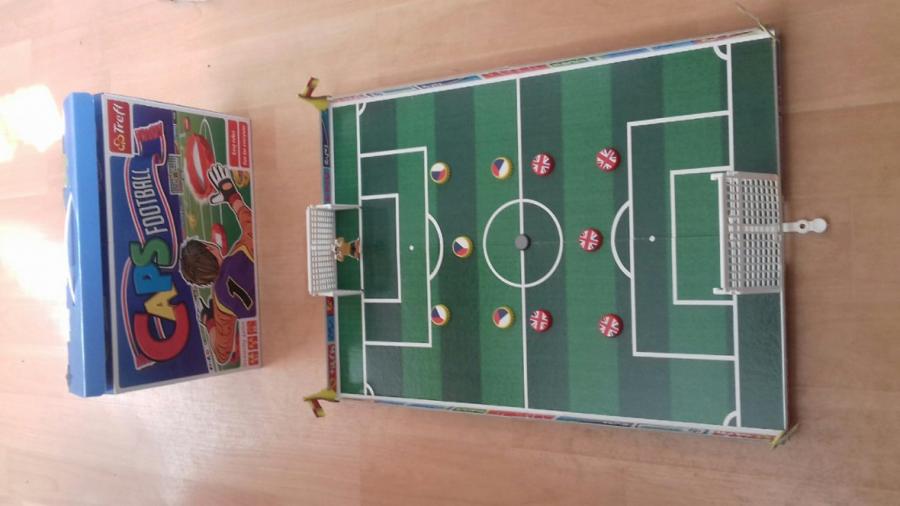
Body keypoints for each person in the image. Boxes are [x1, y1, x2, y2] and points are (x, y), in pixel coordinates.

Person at [179, 163, 256, 365]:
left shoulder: (220, 303)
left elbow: (222, 355)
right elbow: (249, 222)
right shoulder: (242, 251)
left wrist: (208, 320)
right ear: (210, 247)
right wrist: (230, 193)